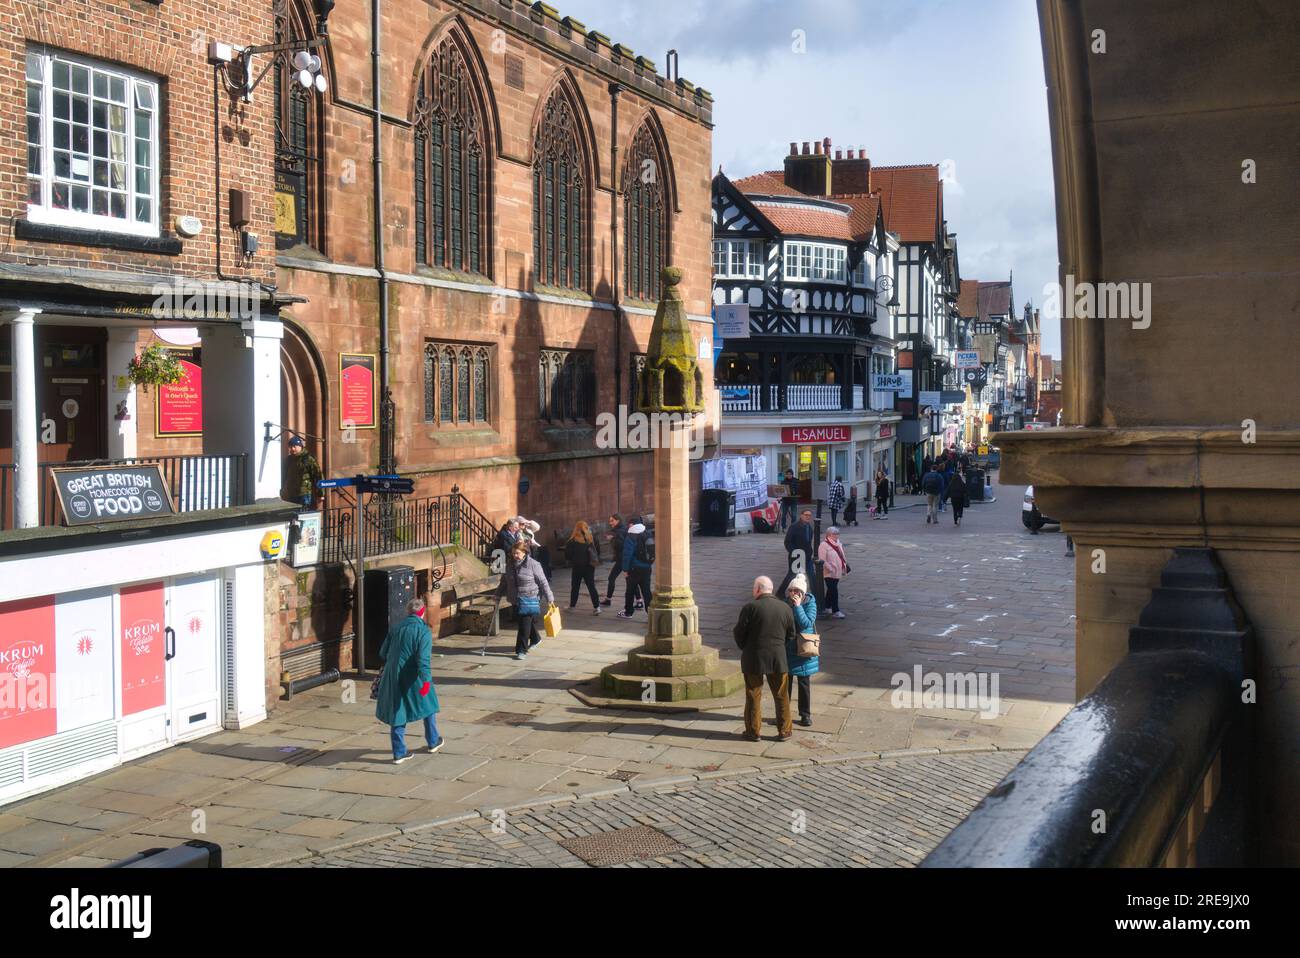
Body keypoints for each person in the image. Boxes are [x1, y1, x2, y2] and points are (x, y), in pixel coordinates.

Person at [374, 597, 442, 764]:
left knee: (398, 711)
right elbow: (423, 660)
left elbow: (383, 653)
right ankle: (433, 741)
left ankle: (399, 752)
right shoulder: (423, 631)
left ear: (408, 612)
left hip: (392, 675)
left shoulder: (396, 628)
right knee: (429, 704)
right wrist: (426, 681)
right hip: (413, 676)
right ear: (422, 612)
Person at [733, 575, 796, 741]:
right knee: (782, 695)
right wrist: (780, 647)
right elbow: (791, 634)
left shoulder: (750, 607)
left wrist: (744, 646)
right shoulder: (784, 607)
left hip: (754, 658)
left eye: (754, 587)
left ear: (758, 589)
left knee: (753, 694)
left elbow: (739, 632)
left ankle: (753, 731)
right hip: (778, 658)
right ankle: (785, 731)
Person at [496, 540, 553, 660]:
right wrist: (497, 595)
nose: (514, 555)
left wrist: (549, 598)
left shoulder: (533, 564)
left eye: (517, 553)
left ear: (524, 553)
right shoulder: (510, 565)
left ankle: (521, 650)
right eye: (513, 553)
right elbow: (504, 582)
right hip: (516, 599)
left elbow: (543, 582)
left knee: (523, 625)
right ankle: (536, 639)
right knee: (525, 622)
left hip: (529, 598)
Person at [784, 574, 820, 727]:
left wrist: (798, 606)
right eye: (791, 590)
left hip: (804, 650)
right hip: (788, 649)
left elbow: (806, 623)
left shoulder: (810, 603)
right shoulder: (786, 603)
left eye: (797, 591)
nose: (794, 594)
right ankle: (784, 713)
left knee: (803, 684)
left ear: (803, 593)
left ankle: (805, 715)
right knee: (785, 684)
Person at [618, 519, 653, 619]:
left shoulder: (631, 536)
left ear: (631, 524)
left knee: (630, 591)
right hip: (647, 567)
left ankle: (628, 612)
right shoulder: (647, 533)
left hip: (634, 569)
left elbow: (627, 555)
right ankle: (651, 614)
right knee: (646, 591)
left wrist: (625, 569)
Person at [564, 520, 601, 614]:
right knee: (591, 586)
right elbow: (598, 552)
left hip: (577, 567)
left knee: (575, 586)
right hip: (589, 566)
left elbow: (567, 555)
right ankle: (597, 607)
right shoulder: (591, 539)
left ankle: (572, 606)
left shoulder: (572, 541)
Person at [779, 508, 815, 597]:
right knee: (792, 574)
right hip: (797, 555)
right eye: (806, 515)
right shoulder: (794, 526)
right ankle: (780, 592)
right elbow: (787, 542)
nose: (808, 517)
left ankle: (816, 595)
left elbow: (808, 541)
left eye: (809, 515)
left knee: (811, 575)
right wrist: (794, 552)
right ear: (801, 515)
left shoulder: (809, 526)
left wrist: (810, 551)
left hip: (807, 555)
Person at [818, 527, 849, 618]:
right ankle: (836, 610)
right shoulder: (823, 545)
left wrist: (844, 566)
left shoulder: (838, 543)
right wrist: (830, 568)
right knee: (834, 590)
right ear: (828, 535)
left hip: (838, 571)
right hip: (829, 572)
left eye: (837, 533)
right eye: (834, 534)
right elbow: (822, 559)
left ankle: (827, 607)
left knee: (831, 590)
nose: (836, 535)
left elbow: (842, 556)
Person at [285, 436, 322, 509]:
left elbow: (317, 475)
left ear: (300, 446)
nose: (292, 449)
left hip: (305, 493)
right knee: (293, 516)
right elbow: (285, 475)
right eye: (290, 447)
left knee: (304, 515)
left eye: (294, 446)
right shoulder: (289, 459)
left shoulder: (308, 458)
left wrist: (321, 494)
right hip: (292, 493)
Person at [601, 514, 626, 606]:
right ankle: (639, 601)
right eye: (610, 520)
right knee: (630, 579)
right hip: (622, 558)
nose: (610, 522)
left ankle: (608, 600)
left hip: (622, 559)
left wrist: (613, 538)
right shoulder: (619, 530)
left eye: (612, 521)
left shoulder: (620, 531)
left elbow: (621, 545)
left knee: (612, 578)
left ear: (618, 520)